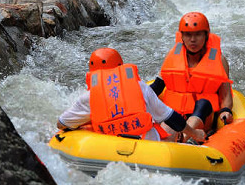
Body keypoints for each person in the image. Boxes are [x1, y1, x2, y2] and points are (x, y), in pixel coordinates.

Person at [57, 48, 206, 143]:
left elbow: (62, 124)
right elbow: (171, 117)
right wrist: (195, 133)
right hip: (148, 148)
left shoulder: (87, 98)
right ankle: (189, 141)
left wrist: (86, 122)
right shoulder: (140, 87)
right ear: (121, 67)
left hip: (106, 151)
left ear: (92, 73)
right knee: (167, 125)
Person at [150, 12, 233, 138]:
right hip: (175, 117)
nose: (193, 40)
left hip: (202, 117)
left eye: (198, 34)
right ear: (181, 36)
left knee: (203, 103)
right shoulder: (173, 57)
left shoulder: (219, 60)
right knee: (169, 122)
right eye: (188, 35)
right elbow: (157, 86)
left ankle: (184, 136)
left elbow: (226, 94)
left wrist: (226, 111)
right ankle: (176, 140)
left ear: (206, 35)